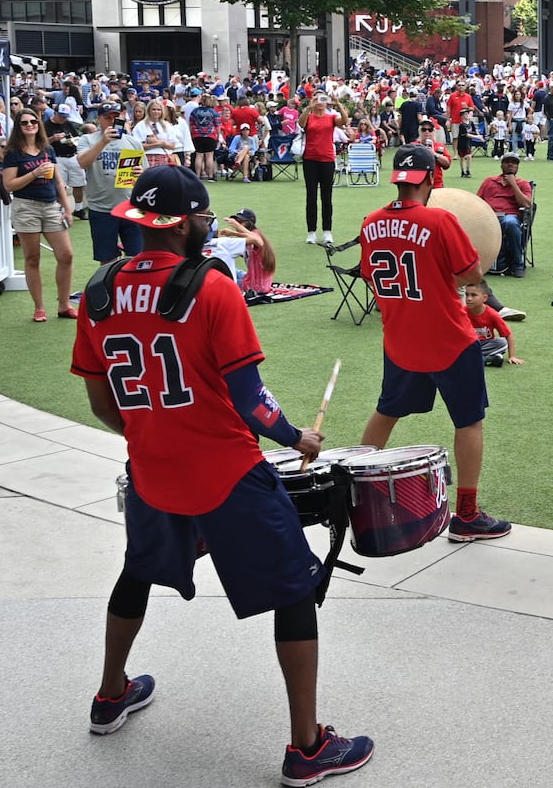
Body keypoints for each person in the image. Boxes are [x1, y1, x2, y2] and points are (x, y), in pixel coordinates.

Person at [69, 166, 373, 785]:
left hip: (152, 468)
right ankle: (307, 748)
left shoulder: (97, 291)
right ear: (185, 223)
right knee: (294, 588)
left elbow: (103, 403)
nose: (211, 227)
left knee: (136, 571)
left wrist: (153, 437)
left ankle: (109, 695)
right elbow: (249, 400)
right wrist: (297, 436)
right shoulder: (212, 287)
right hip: (229, 471)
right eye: (205, 218)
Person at [358, 144, 510, 541]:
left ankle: (359, 496)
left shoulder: (371, 222)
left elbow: (370, 275)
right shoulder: (440, 219)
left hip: (400, 338)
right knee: (469, 421)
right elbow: (471, 273)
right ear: (429, 178)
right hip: (448, 339)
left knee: (386, 412)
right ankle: (467, 515)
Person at [2, 110, 76, 322]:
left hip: (51, 205)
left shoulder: (47, 149)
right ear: (18, 126)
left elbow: (57, 180)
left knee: (66, 255)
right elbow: (9, 185)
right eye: (24, 122)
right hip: (26, 207)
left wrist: (67, 207)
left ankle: (64, 305)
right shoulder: (13, 152)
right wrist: (35, 173)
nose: (30, 125)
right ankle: (39, 307)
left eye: (33, 121)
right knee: (32, 258)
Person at [75, 104, 148, 264]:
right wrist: (103, 142)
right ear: (99, 119)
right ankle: (110, 287)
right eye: (107, 118)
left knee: (137, 257)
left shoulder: (133, 142)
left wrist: (141, 173)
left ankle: (131, 287)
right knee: (107, 260)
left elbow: (145, 175)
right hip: (101, 208)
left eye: (115, 118)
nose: (112, 121)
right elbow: (82, 163)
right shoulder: (87, 140)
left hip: (130, 207)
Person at [477, 151, 532, 277]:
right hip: (489, 215)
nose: (511, 165)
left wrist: (513, 184)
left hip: (509, 216)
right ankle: (477, 264)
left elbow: (527, 204)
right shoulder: (489, 181)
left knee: (510, 223)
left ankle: (517, 264)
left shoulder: (523, 184)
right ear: (502, 165)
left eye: (514, 163)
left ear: (518, 167)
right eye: (507, 162)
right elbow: (477, 200)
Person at [300, 94, 344, 246]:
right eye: (318, 99)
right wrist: (309, 108)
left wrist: (338, 104)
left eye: (323, 100)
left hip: (327, 160)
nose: (320, 102)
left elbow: (344, 121)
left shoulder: (331, 117)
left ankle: (327, 231)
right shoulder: (310, 116)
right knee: (311, 197)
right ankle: (311, 232)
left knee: (327, 197)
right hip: (310, 160)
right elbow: (301, 124)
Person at [204, 207, 276, 296]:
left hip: (256, 286)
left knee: (223, 277)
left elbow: (258, 241)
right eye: (236, 221)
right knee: (233, 270)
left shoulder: (255, 237)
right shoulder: (251, 236)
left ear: (249, 223)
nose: (237, 224)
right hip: (256, 279)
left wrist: (234, 232)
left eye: (240, 222)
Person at [463, 283, 523, 367]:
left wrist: (512, 356)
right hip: (468, 344)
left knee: (502, 342)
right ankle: (487, 359)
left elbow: (508, 334)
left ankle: (471, 358)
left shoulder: (492, 314)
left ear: (485, 298)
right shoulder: (462, 312)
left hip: (485, 344)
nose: (469, 299)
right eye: (467, 295)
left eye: (473, 295)